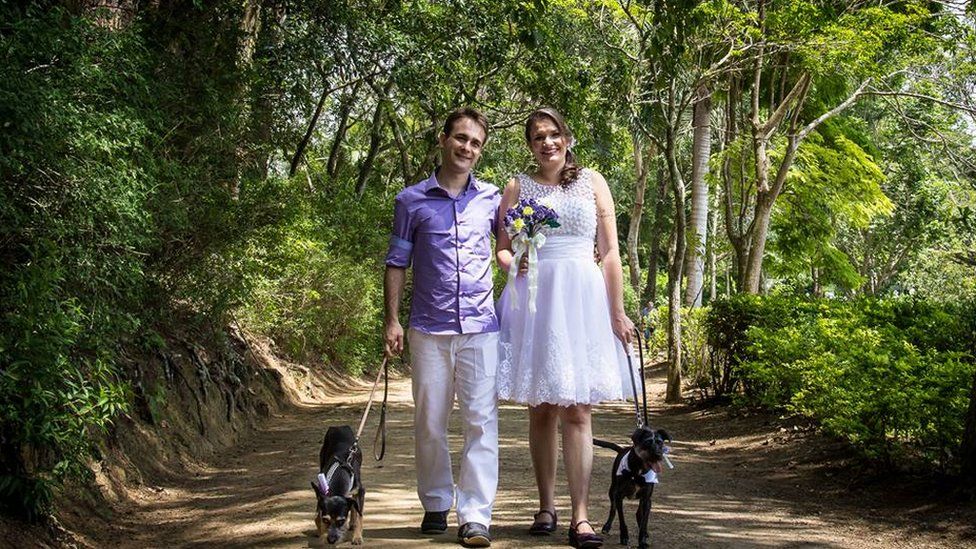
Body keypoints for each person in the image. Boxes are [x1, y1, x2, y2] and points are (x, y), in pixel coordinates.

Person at [495, 107, 636, 549]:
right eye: (538, 137)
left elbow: (610, 253)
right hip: (536, 298)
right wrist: (513, 263)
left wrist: (617, 312)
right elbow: (501, 248)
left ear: (567, 137)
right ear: (530, 144)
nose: (547, 142)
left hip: (582, 298)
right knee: (541, 407)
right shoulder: (517, 186)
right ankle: (545, 507)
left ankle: (580, 516)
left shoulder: (593, 182)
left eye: (554, 134)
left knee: (578, 409)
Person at [384, 107, 500, 548]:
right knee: (429, 420)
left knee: (481, 422)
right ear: (443, 139)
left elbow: (512, 249)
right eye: (461, 139)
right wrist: (392, 320)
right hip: (428, 329)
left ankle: (475, 515)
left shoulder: (491, 198)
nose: (467, 148)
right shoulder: (409, 201)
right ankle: (435, 503)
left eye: (475, 143)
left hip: (480, 327)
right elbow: (396, 262)